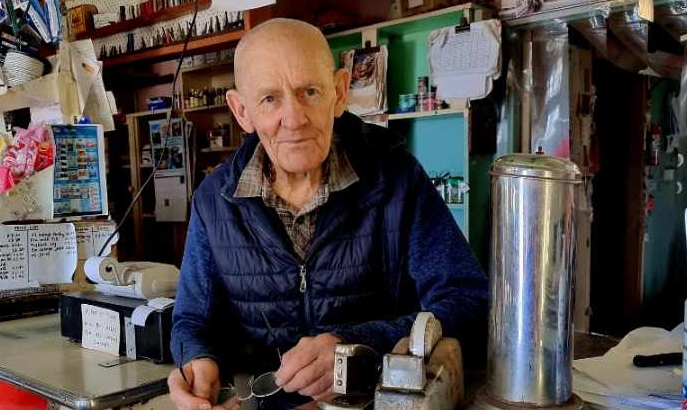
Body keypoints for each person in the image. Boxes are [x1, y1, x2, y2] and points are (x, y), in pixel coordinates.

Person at [167, 18, 488, 410]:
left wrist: (353, 346)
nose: (294, 118)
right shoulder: (213, 201)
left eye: (310, 91)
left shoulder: (398, 181)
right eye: (269, 99)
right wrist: (195, 360)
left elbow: (468, 307)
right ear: (241, 111)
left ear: (338, 92)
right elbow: (190, 320)